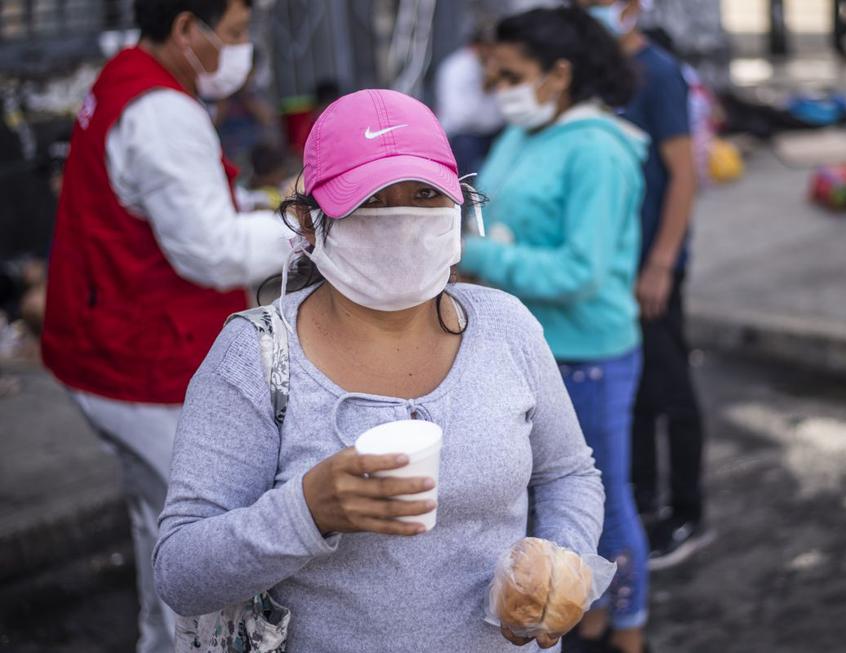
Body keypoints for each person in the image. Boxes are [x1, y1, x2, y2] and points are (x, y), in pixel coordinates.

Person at [153, 88, 606, 652]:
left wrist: (560, 564)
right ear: (309, 224)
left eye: (423, 195)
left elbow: (567, 474)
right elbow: (179, 572)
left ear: (460, 205)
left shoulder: (505, 326)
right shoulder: (253, 359)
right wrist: (306, 511)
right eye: (369, 201)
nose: (401, 221)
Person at [40, 1, 291, 650]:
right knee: (195, 544)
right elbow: (210, 250)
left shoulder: (127, 74)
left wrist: (257, 207)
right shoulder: (163, 112)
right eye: (234, 34)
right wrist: (301, 229)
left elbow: (178, 204)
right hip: (142, 357)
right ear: (186, 30)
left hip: (103, 342)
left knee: (154, 519)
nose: (241, 50)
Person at [459, 7, 649, 653]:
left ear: (559, 74)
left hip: (587, 350)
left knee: (603, 501)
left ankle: (627, 627)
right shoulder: (525, 133)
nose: (499, 88)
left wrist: (479, 255)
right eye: (494, 74)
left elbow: (581, 270)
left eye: (512, 74)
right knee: (544, 505)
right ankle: (580, 610)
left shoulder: (599, 149)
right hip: (531, 346)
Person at [583, 0, 710, 570]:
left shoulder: (658, 73)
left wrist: (660, 263)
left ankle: (688, 511)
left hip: (652, 264)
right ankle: (644, 501)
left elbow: (684, 175)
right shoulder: (596, 71)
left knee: (671, 387)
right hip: (615, 265)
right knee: (634, 395)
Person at [435, 28, 504, 175]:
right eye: (489, 48)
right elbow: (458, 118)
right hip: (463, 136)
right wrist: (485, 87)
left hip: (495, 133)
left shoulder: (501, 66)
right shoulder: (456, 69)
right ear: (476, 47)